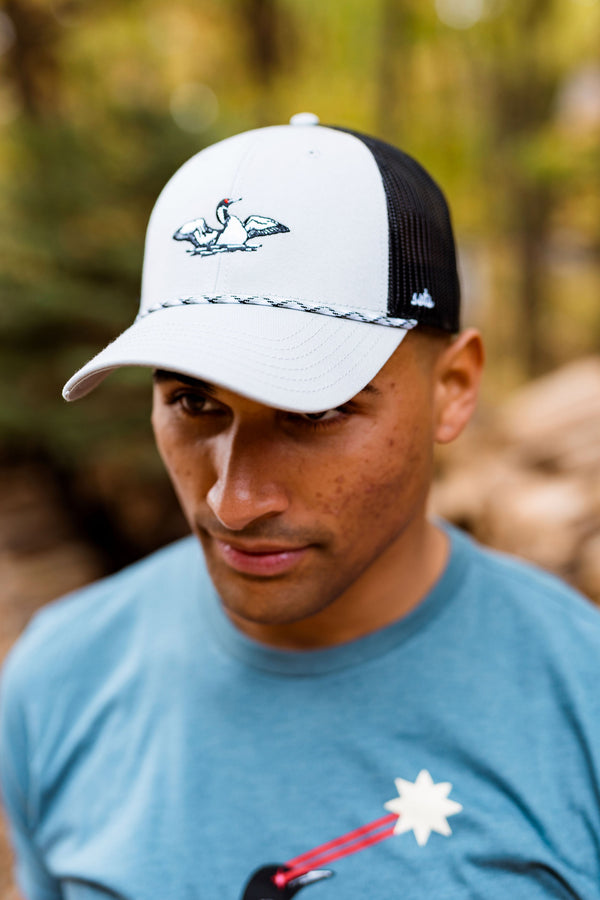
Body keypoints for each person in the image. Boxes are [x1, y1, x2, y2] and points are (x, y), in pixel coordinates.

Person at [1, 113, 599, 900]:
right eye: (193, 402)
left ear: (453, 388)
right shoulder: (60, 679)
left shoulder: (580, 699)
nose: (233, 500)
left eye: (314, 412)